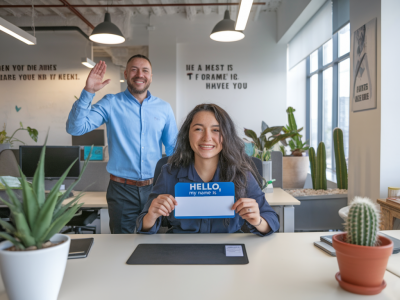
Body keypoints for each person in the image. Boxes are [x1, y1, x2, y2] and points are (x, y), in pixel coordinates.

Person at [66, 55, 178, 234]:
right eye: (134, 69)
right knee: (120, 243)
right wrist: (88, 91)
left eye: (145, 70)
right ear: (126, 74)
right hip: (122, 191)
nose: (139, 74)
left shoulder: (164, 108)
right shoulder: (111, 103)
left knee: (153, 240)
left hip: (155, 188)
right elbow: (75, 128)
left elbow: (174, 150)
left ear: (151, 76)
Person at [136, 104, 279, 236]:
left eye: (216, 130)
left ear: (226, 136)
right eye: (198, 129)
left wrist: (258, 221)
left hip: (228, 250)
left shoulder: (241, 174)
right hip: (182, 250)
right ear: (187, 134)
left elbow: (272, 221)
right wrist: (151, 215)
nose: (207, 138)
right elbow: (143, 226)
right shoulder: (169, 173)